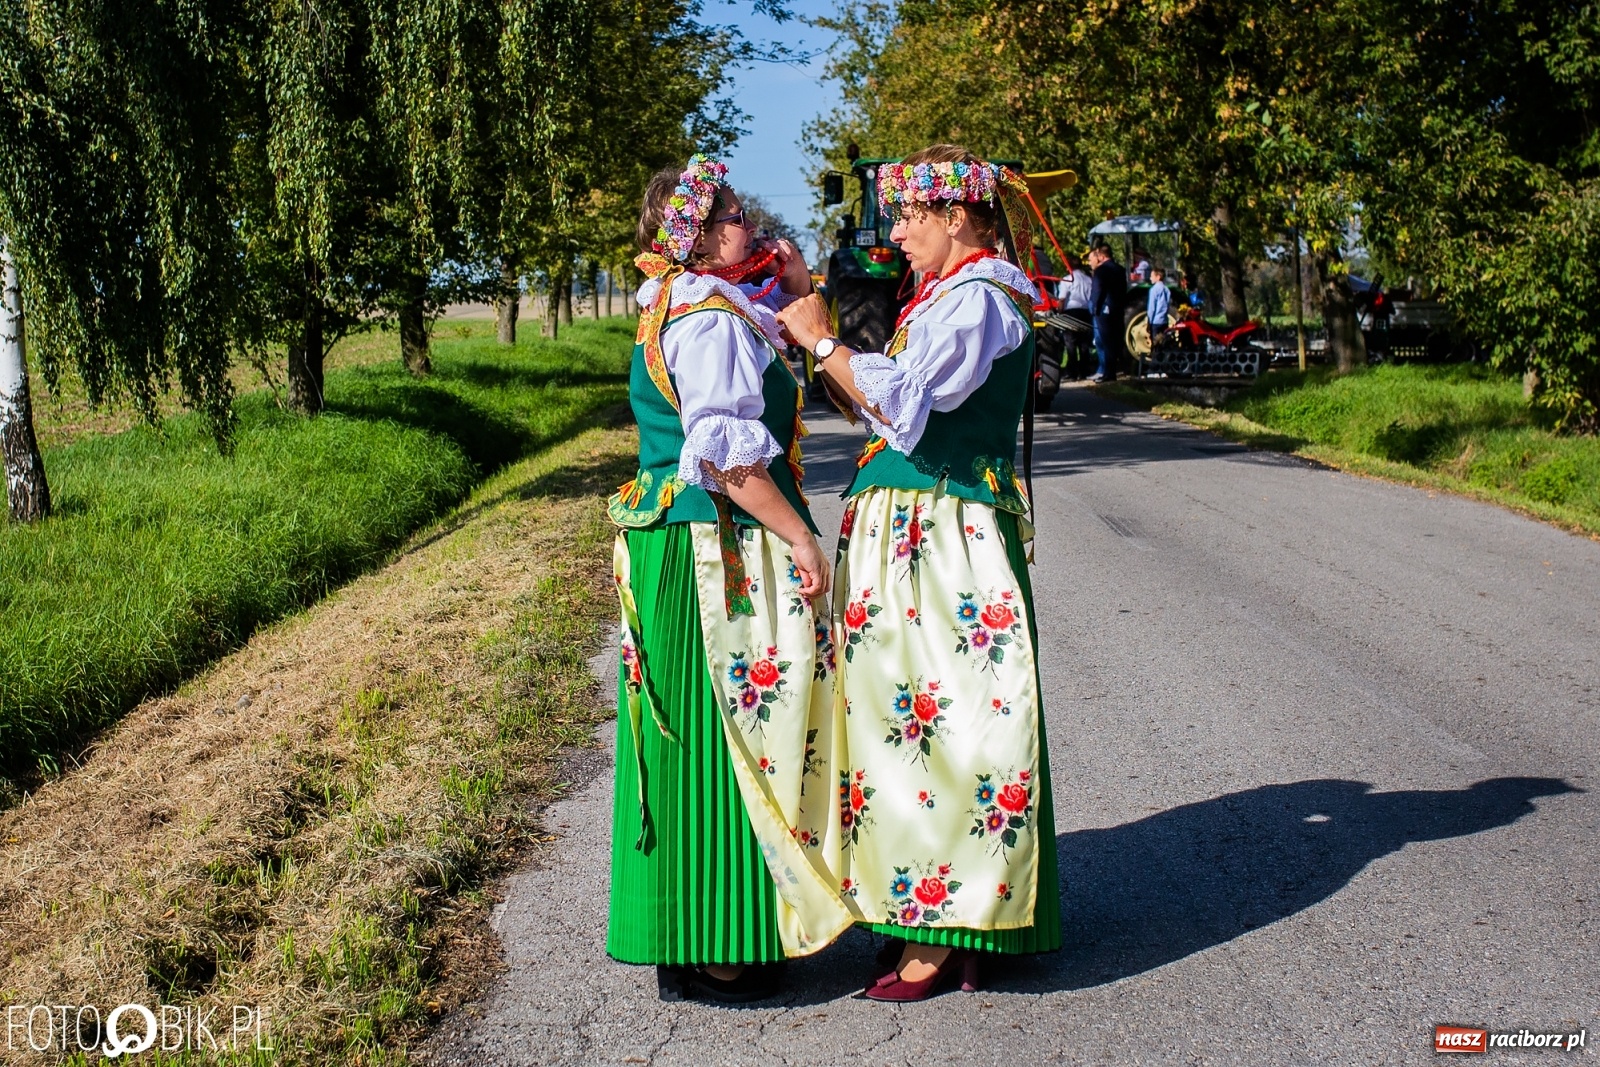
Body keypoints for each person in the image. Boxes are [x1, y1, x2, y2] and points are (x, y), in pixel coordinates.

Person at [777, 144, 1062, 1003]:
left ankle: (946, 933)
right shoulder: (953, 296)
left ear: (957, 217)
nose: (897, 233)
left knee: (941, 725)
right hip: (921, 532)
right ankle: (932, 912)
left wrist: (821, 335)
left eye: (910, 216)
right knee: (913, 723)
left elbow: (899, 403)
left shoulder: (979, 301)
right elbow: (881, 400)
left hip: (943, 541)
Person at [608, 154, 854, 1003]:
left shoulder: (693, 302)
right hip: (713, 549)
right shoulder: (706, 315)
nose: (751, 220)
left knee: (704, 734)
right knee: (728, 734)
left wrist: (794, 281)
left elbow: (779, 330)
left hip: (680, 544)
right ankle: (720, 941)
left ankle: (708, 928)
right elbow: (724, 456)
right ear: (702, 235)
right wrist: (803, 540)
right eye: (736, 212)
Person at [1088, 243, 1127, 381]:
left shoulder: (1101, 271)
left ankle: (1109, 373)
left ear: (1102, 256)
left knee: (1106, 341)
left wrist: (1095, 308)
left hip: (1104, 310)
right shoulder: (1120, 269)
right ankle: (1115, 370)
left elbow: (1098, 291)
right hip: (1117, 308)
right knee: (1115, 340)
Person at [1054, 252, 1094, 377]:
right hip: (1085, 312)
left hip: (1071, 312)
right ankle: (1084, 371)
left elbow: (1062, 299)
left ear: (1068, 266)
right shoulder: (1089, 280)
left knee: (1070, 342)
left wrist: (1059, 312)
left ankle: (1072, 372)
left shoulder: (1067, 279)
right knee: (1084, 343)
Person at [1147, 265, 1171, 350]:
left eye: (1152, 276)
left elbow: (1152, 308)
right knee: (1164, 343)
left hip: (1155, 322)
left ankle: (1156, 361)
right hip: (1164, 321)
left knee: (1156, 344)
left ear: (1158, 277)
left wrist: (1149, 322)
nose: (1150, 278)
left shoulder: (1153, 290)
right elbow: (1168, 305)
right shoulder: (1167, 289)